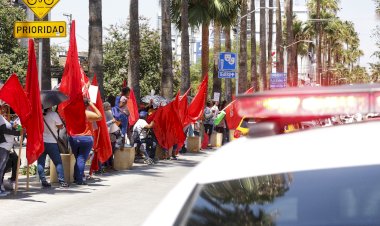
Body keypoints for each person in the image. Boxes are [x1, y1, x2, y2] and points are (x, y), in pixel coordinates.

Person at [69, 98, 102, 185]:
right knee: (81, 159)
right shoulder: (87, 113)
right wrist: (91, 104)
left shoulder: (72, 112)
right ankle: (79, 180)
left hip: (74, 138)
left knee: (78, 158)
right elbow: (100, 116)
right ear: (86, 105)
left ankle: (76, 177)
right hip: (86, 138)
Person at [38, 107, 69, 188]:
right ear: (50, 106)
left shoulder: (39, 115)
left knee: (41, 162)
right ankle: (62, 181)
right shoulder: (53, 114)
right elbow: (60, 126)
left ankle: (43, 181)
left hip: (41, 142)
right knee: (58, 162)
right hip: (52, 142)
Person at [0, 104, 20, 197]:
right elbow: (3, 130)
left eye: (5, 109)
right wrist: (17, 132)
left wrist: (14, 128)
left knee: (1, 169)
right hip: (3, 146)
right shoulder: (0, 118)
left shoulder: (4, 119)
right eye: (2, 109)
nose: (4, 111)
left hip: (6, 147)